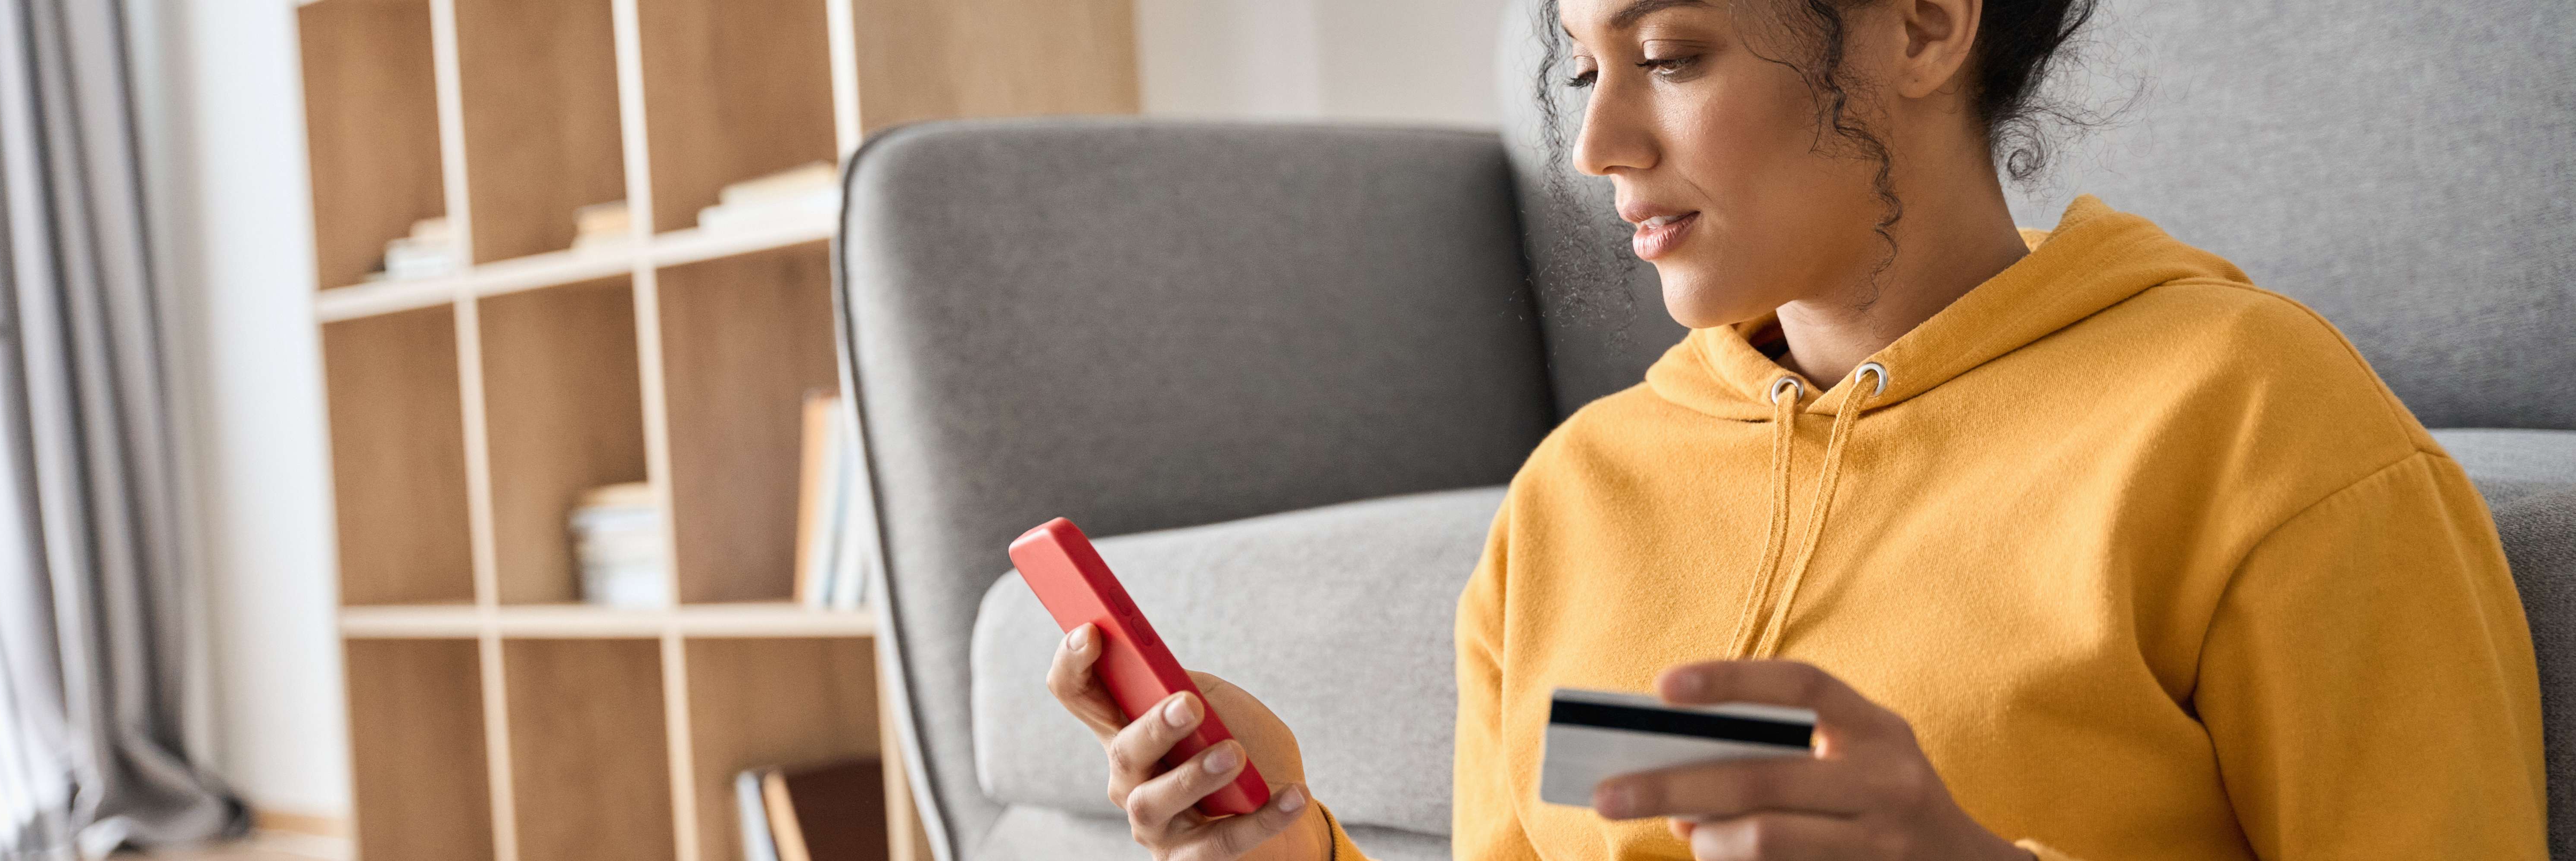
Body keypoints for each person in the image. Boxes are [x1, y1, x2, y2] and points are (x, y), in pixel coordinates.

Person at [1046, 0, 2549, 857]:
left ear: (1920, 22)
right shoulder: (1578, 493)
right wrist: (1287, 843)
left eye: (1675, 53)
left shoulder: (2255, 425)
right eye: (1583, 64)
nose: (1593, 144)